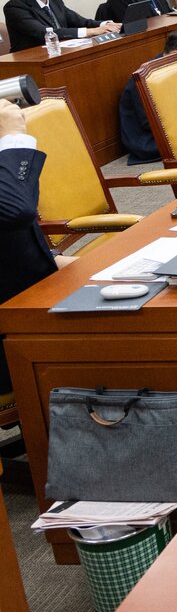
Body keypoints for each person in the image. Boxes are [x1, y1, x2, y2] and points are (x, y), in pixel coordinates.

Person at [0, 98, 78, 402]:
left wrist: (78, 265)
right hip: (12, 337)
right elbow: (17, 211)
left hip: (24, 300)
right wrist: (13, 139)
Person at [119, 29, 177, 163]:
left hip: (172, 125)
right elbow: (149, 122)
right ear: (174, 54)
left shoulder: (173, 66)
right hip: (147, 139)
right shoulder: (145, 78)